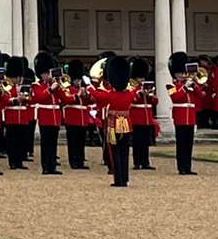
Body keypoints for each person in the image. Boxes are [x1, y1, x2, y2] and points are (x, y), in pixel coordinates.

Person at [92, 55, 136, 188]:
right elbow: (134, 90)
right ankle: (125, 179)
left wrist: (90, 87)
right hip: (126, 125)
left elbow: (98, 97)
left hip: (113, 125)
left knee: (115, 152)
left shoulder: (110, 95)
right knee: (125, 152)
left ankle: (118, 179)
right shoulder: (130, 94)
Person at [167, 51, 202, 176]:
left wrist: (194, 85)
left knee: (189, 144)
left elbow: (200, 96)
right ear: (175, 74)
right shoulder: (170, 85)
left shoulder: (190, 84)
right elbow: (175, 98)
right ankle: (181, 167)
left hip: (190, 118)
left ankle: (188, 167)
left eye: (184, 72)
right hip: (180, 118)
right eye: (180, 73)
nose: (182, 75)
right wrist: (186, 87)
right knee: (181, 144)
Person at [30, 52, 62, 175]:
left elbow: (64, 98)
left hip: (55, 116)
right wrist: (50, 89)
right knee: (45, 143)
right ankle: (45, 167)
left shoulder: (55, 85)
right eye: (46, 73)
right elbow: (39, 98)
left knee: (53, 143)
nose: (48, 75)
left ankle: (52, 166)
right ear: (41, 74)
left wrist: (58, 87)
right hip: (45, 116)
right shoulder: (37, 85)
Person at [60, 60, 92, 170]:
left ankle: (80, 160)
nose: (78, 82)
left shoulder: (82, 89)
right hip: (72, 119)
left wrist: (87, 95)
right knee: (73, 141)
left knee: (81, 141)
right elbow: (66, 100)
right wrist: (77, 95)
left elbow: (91, 101)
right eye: (76, 80)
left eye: (79, 80)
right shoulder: (68, 89)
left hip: (82, 119)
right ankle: (73, 161)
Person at [2, 56, 32, 170]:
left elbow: (31, 100)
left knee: (21, 140)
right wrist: (15, 100)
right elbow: (5, 100)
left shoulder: (22, 87)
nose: (18, 79)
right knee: (12, 140)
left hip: (22, 117)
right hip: (12, 116)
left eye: (19, 77)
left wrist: (25, 98)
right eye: (16, 77)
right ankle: (12, 162)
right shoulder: (7, 86)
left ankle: (19, 161)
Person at [128, 58, 157, 171]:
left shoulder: (148, 87)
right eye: (140, 77)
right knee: (137, 142)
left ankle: (145, 162)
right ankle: (137, 162)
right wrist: (139, 93)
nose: (142, 79)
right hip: (137, 118)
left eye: (143, 77)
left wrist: (150, 96)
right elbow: (131, 99)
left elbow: (156, 102)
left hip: (147, 118)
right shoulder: (132, 87)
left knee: (145, 142)